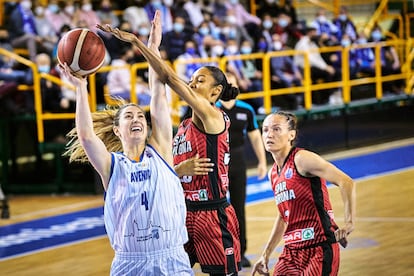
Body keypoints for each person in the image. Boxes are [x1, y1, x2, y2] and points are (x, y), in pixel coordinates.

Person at [98, 14, 242, 275]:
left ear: (215, 92)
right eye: (193, 78)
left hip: (213, 213)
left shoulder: (213, 117)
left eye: (200, 80)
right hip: (182, 215)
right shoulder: (185, 125)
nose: (192, 82)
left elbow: (169, 79)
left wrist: (141, 44)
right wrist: (178, 169)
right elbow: (167, 172)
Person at [63, 11, 193, 275]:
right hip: (129, 263)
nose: (137, 119)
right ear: (117, 130)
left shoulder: (161, 152)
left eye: (140, 116)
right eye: (129, 116)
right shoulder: (112, 166)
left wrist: (152, 48)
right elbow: (87, 135)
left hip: (172, 260)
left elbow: (158, 92)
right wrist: (80, 88)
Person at [251, 111, 356, 275]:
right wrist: (266, 255)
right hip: (291, 252)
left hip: (318, 247)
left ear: (291, 135)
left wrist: (349, 222)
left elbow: (346, 182)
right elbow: (283, 215)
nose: (269, 134)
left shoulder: (301, 159)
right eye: (265, 130)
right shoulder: (273, 173)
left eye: (276, 129)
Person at [216, 72, 267, 268]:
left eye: (232, 82)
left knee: (238, 209)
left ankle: (240, 252)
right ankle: (220, 251)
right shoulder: (212, 109)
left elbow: (255, 136)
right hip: (218, 162)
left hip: (238, 162)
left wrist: (262, 161)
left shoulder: (246, 110)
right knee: (217, 209)